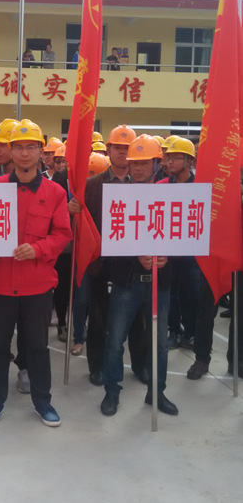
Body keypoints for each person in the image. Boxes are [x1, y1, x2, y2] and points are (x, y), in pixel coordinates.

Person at [0, 120, 72, 427]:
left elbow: (62, 233)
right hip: (0, 283)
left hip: (37, 284)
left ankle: (42, 400)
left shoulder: (55, 192)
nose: (23, 153)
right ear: (10, 151)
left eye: (30, 147)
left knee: (37, 346)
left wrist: (38, 249)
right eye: (18, 147)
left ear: (41, 152)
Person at [99, 134, 178, 417]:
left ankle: (157, 393)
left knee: (160, 345)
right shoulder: (118, 198)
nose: (139, 168)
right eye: (135, 163)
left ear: (157, 164)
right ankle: (111, 392)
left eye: (145, 163)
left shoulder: (170, 198)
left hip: (160, 284)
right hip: (127, 283)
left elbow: (182, 236)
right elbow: (110, 240)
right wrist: (136, 257)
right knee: (114, 342)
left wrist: (168, 256)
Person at [68, 125, 148, 387]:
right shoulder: (91, 185)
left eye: (127, 148)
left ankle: (139, 365)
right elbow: (79, 226)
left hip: (134, 265)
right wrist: (73, 210)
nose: (122, 153)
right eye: (117, 147)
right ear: (109, 149)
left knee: (137, 321)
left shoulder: (146, 185)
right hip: (100, 263)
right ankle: (97, 366)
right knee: (99, 318)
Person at [158, 138, 201, 351]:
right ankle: (174, 331)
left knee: (194, 294)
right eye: (168, 158)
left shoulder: (201, 187)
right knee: (170, 294)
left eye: (176, 158)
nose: (170, 162)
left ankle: (191, 332)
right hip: (168, 251)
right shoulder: (161, 186)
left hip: (193, 253)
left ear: (189, 161)